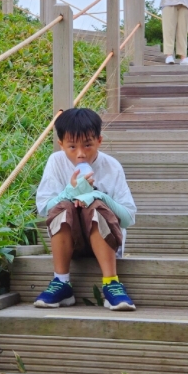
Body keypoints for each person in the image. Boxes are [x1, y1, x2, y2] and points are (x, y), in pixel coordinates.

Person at [33, 107, 137, 311]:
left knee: (96, 205)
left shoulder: (112, 166)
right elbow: (44, 208)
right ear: (60, 144)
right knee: (62, 205)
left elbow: (128, 218)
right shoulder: (56, 162)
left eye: (88, 145)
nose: (80, 154)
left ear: (99, 140)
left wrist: (99, 196)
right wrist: (70, 192)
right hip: (68, 243)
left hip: (106, 241)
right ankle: (61, 282)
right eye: (72, 146)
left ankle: (111, 283)